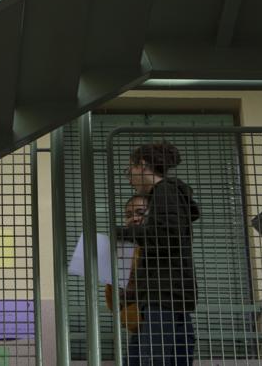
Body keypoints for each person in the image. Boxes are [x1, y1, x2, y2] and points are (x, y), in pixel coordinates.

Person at [114, 142, 201, 366]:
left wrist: (122, 232)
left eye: (129, 170)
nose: (129, 178)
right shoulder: (164, 195)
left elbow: (166, 235)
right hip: (166, 295)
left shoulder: (164, 191)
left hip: (163, 296)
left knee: (151, 359)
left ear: (142, 166)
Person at [106, 193, 150, 332]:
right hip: (139, 326)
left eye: (140, 213)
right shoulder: (123, 249)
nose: (134, 219)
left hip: (161, 320)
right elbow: (113, 301)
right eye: (129, 215)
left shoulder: (160, 247)